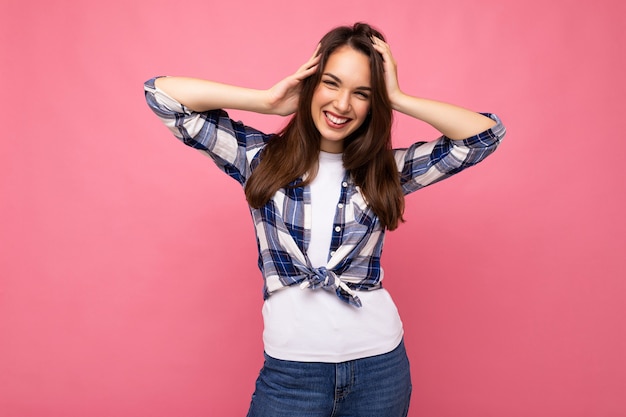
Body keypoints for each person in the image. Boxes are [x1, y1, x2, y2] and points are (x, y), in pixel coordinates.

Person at [144, 22, 505, 417]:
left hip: (380, 370)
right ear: (311, 83)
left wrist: (397, 97)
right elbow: (162, 95)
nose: (342, 104)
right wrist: (267, 101)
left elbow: (483, 136)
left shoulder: (386, 170)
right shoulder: (258, 158)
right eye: (331, 83)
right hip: (291, 376)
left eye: (362, 93)